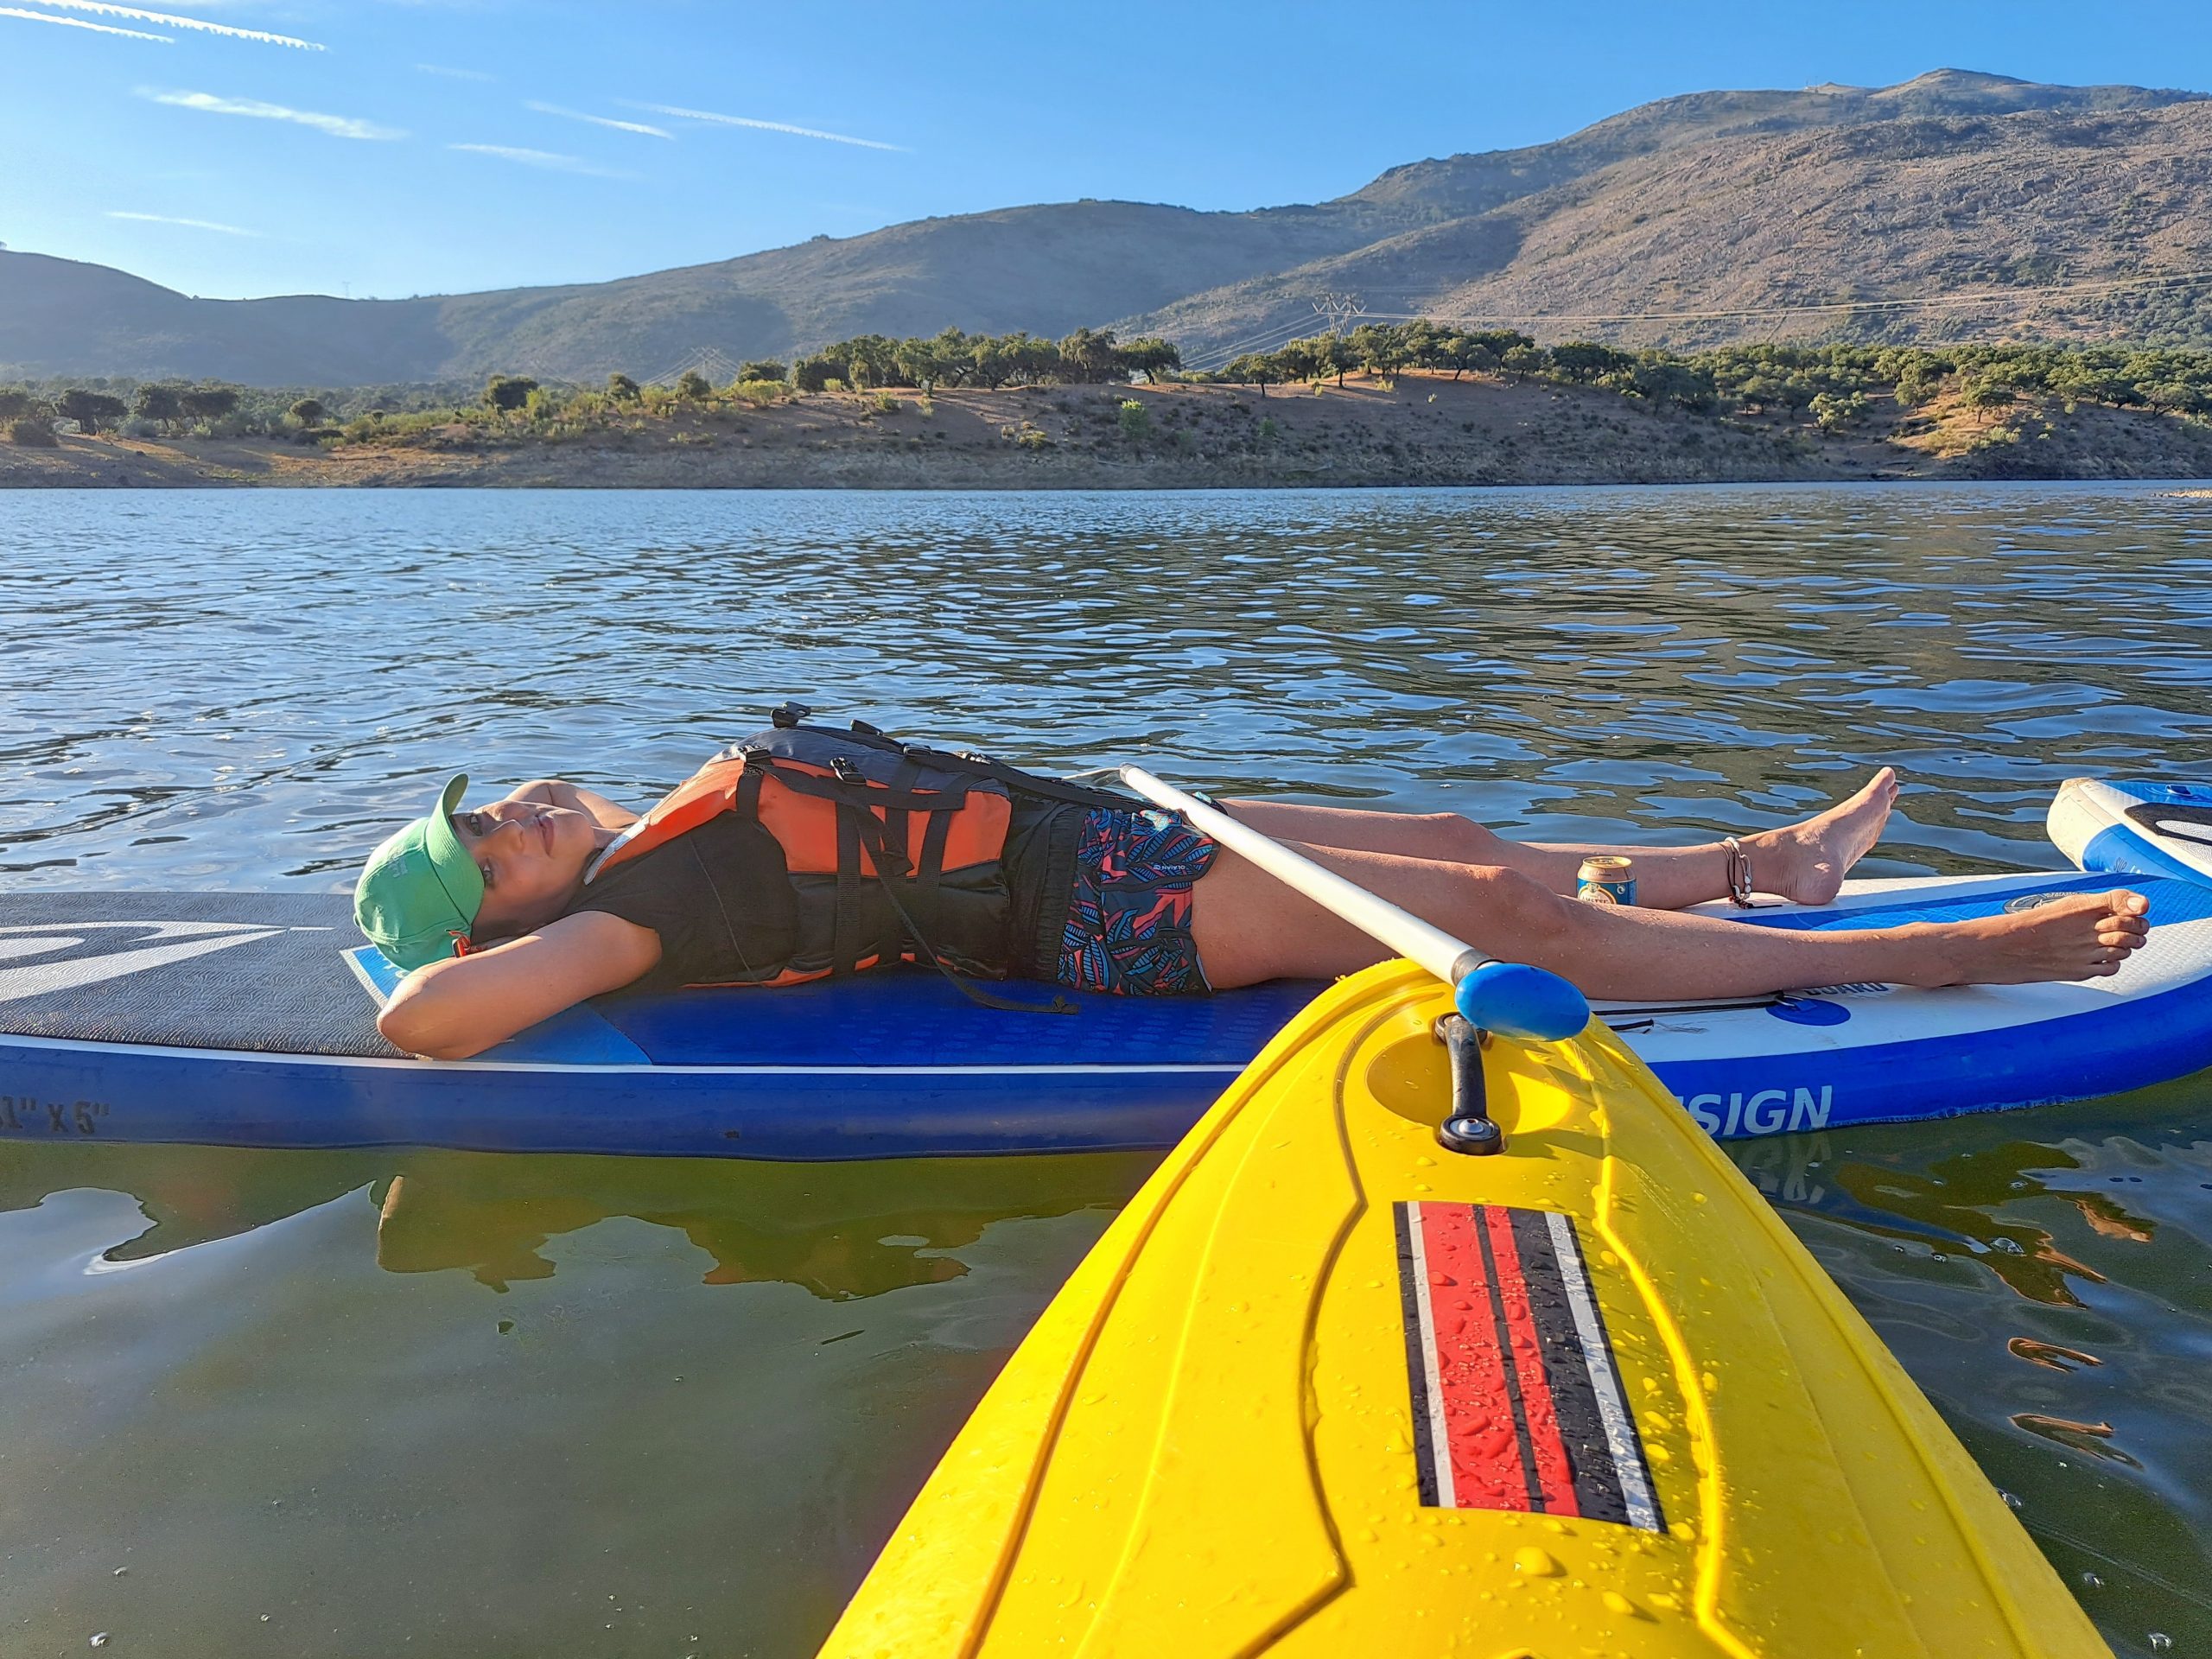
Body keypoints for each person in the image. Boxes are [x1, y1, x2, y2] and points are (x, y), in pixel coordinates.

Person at [355, 745, 2148, 1062]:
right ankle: (1949, 952)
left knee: (1453, 831)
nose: (514, 816)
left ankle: (1769, 871)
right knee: (1495, 914)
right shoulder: (636, 914)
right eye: (488, 854)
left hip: (1102, 832)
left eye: (494, 805)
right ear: (508, 920)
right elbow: (425, 1021)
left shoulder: (653, 838)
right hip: (1093, 919)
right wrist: (478, 961)